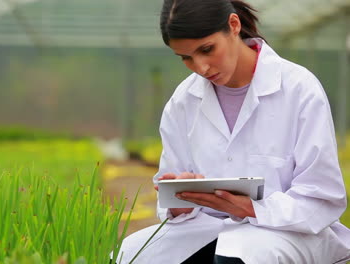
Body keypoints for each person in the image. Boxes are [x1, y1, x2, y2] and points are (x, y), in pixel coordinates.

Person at [115, 0, 350, 263]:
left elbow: (322, 198)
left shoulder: (298, 88)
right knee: (129, 254)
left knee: (239, 256)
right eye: (186, 58)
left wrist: (250, 208)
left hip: (289, 230)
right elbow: (173, 205)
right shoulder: (183, 101)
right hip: (208, 228)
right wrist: (180, 202)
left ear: (234, 25)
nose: (201, 67)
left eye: (207, 49)